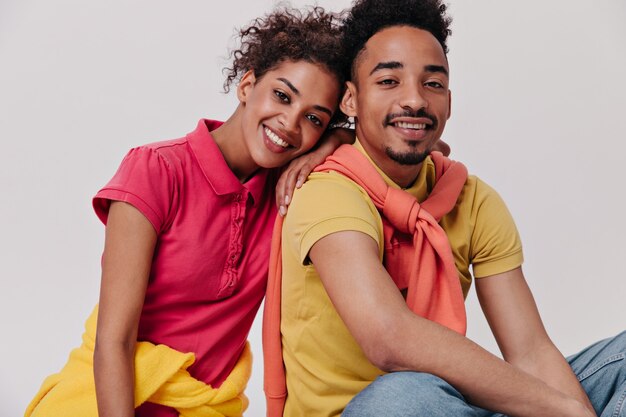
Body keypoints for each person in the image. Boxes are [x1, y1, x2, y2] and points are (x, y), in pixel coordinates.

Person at [263, 0, 626, 416]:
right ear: (350, 100)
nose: (414, 101)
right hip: (378, 411)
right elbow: (389, 339)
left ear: (449, 102)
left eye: (432, 84)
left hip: (450, 407)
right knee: (401, 397)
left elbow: (529, 352)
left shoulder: (472, 199)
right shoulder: (328, 191)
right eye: (388, 81)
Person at [24, 6, 349, 417]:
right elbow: (115, 341)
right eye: (282, 96)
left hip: (206, 407)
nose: (288, 123)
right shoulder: (155, 170)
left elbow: (421, 152)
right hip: (107, 402)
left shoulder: (290, 189)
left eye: (313, 118)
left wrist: (333, 141)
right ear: (247, 84)